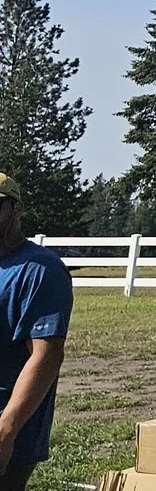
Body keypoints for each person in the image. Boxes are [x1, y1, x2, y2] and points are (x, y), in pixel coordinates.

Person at [0, 173, 70, 491]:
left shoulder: (40, 269)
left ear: (16, 210)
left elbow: (46, 356)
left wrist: (6, 429)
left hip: (8, 433)